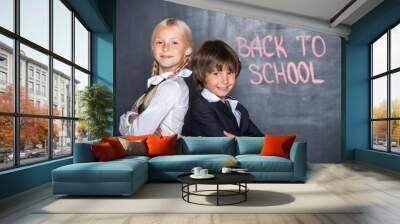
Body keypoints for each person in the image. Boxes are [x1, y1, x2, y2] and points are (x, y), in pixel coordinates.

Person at [119, 18, 194, 136]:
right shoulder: (161, 84)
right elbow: (127, 129)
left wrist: (128, 119)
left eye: (174, 42)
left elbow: (136, 135)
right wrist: (131, 119)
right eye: (159, 42)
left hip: (162, 154)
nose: (165, 48)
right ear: (152, 47)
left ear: (187, 50)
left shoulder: (171, 86)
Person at [187, 40, 263, 137]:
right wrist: (243, 142)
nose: (225, 80)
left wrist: (238, 140)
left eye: (229, 73)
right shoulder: (200, 107)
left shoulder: (238, 108)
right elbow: (221, 143)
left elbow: (261, 140)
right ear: (201, 75)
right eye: (216, 74)